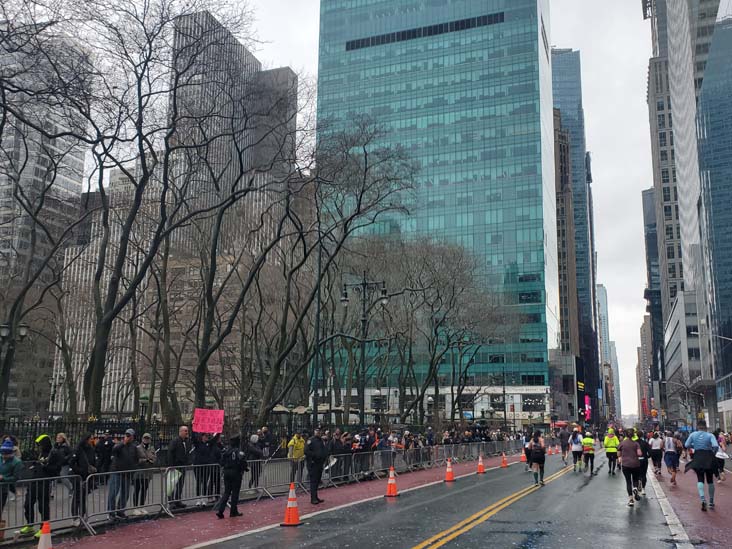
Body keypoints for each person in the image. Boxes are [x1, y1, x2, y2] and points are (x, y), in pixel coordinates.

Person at [21, 434, 63, 538]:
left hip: (44, 483)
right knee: (28, 503)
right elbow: (39, 464)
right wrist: (36, 465)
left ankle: (44, 528)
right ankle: (30, 525)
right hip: (34, 481)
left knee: (43, 506)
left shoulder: (54, 453)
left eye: (40, 444)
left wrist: (46, 467)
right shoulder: (42, 453)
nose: (39, 447)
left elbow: (57, 469)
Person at [685, 419, 719, 511]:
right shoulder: (710, 435)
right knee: (710, 480)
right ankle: (711, 502)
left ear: (698, 427)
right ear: (705, 427)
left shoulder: (693, 435)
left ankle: (703, 499)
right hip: (708, 457)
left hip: (698, 457)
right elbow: (716, 446)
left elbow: (686, 444)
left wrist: (694, 446)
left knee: (700, 478)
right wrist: (713, 453)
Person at [108, 428, 139, 520]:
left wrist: (133, 470)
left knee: (125, 494)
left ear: (133, 437)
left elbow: (135, 459)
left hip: (127, 473)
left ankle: (120, 511)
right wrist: (123, 443)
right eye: (126, 435)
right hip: (117, 472)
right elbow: (114, 450)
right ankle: (111, 512)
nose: (128, 437)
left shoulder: (134, 447)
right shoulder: (120, 444)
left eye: (130, 435)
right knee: (113, 493)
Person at [215, 435, 247, 519]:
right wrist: (244, 468)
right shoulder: (239, 452)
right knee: (235, 493)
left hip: (226, 472)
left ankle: (220, 511)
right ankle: (233, 511)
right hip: (236, 473)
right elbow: (243, 462)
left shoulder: (226, 451)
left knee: (227, 492)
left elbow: (221, 462)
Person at [69, 433, 96, 524]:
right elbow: (72, 463)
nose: (92, 440)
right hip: (78, 476)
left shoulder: (91, 449)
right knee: (77, 496)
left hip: (87, 476)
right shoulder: (78, 450)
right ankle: (75, 516)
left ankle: (82, 515)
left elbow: (94, 461)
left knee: (83, 497)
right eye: (90, 439)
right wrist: (80, 470)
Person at [193, 432, 220, 507]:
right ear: (202, 437)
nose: (206, 437)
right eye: (205, 436)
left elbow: (215, 439)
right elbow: (193, 437)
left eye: (207, 436)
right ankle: (198, 499)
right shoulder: (198, 443)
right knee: (198, 482)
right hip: (198, 466)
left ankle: (204, 499)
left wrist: (218, 431)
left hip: (206, 466)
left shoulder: (209, 444)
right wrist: (193, 427)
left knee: (205, 482)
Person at [167, 426, 190, 509]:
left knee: (180, 484)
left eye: (187, 431)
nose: (187, 432)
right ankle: (171, 502)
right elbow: (170, 453)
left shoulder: (187, 442)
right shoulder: (175, 441)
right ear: (180, 432)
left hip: (182, 466)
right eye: (185, 431)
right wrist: (171, 465)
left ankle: (178, 500)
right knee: (172, 485)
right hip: (175, 465)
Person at [618, 428, 642, 507]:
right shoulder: (636, 443)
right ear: (633, 435)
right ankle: (635, 488)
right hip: (635, 464)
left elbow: (618, 453)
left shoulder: (622, 443)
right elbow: (639, 454)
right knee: (635, 479)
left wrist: (620, 458)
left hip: (626, 465)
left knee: (628, 481)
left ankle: (631, 500)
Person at [133, 433, 156, 515]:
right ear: (142, 439)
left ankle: (142, 507)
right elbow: (135, 460)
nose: (146, 440)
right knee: (137, 490)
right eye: (145, 438)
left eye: (148, 438)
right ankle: (135, 508)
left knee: (144, 490)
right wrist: (145, 460)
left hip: (147, 473)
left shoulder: (152, 448)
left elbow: (154, 458)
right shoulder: (137, 448)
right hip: (139, 472)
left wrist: (151, 460)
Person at [0, 439, 23, 519]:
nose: (4, 456)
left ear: (12, 453)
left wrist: (4, 478)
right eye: (2, 453)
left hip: (2, 489)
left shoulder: (17, 462)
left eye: (6, 454)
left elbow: (16, 477)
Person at [305, 427, 327, 505]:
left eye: (319, 431)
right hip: (313, 463)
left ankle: (316, 496)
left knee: (317, 481)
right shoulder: (310, 440)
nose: (318, 432)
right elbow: (306, 451)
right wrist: (315, 455)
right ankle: (313, 498)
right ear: (314, 432)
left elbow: (323, 450)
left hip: (319, 463)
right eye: (317, 431)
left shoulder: (320, 440)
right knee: (313, 481)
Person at [636, 431, 651, 497]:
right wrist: (647, 457)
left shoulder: (635, 443)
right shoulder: (645, 443)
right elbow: (650, 452)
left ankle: (638, 481)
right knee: (644, 474)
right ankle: (643, 489)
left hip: (636, 460)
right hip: (644, 460)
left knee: (636, 474)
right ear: (642, 435)